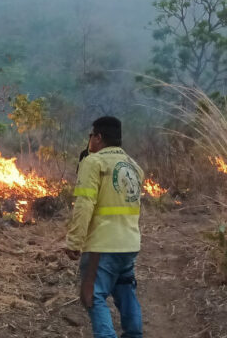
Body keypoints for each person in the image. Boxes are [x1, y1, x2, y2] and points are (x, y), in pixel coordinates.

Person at [65, 116, 144, 338]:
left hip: (102, 245)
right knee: (126, 291)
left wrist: (74, 241)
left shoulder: (94, 162)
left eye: (91, 136)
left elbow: (84, 205)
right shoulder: (134, 166)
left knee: (92, 296)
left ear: (99, 137)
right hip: (129, 244)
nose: (89, 140)